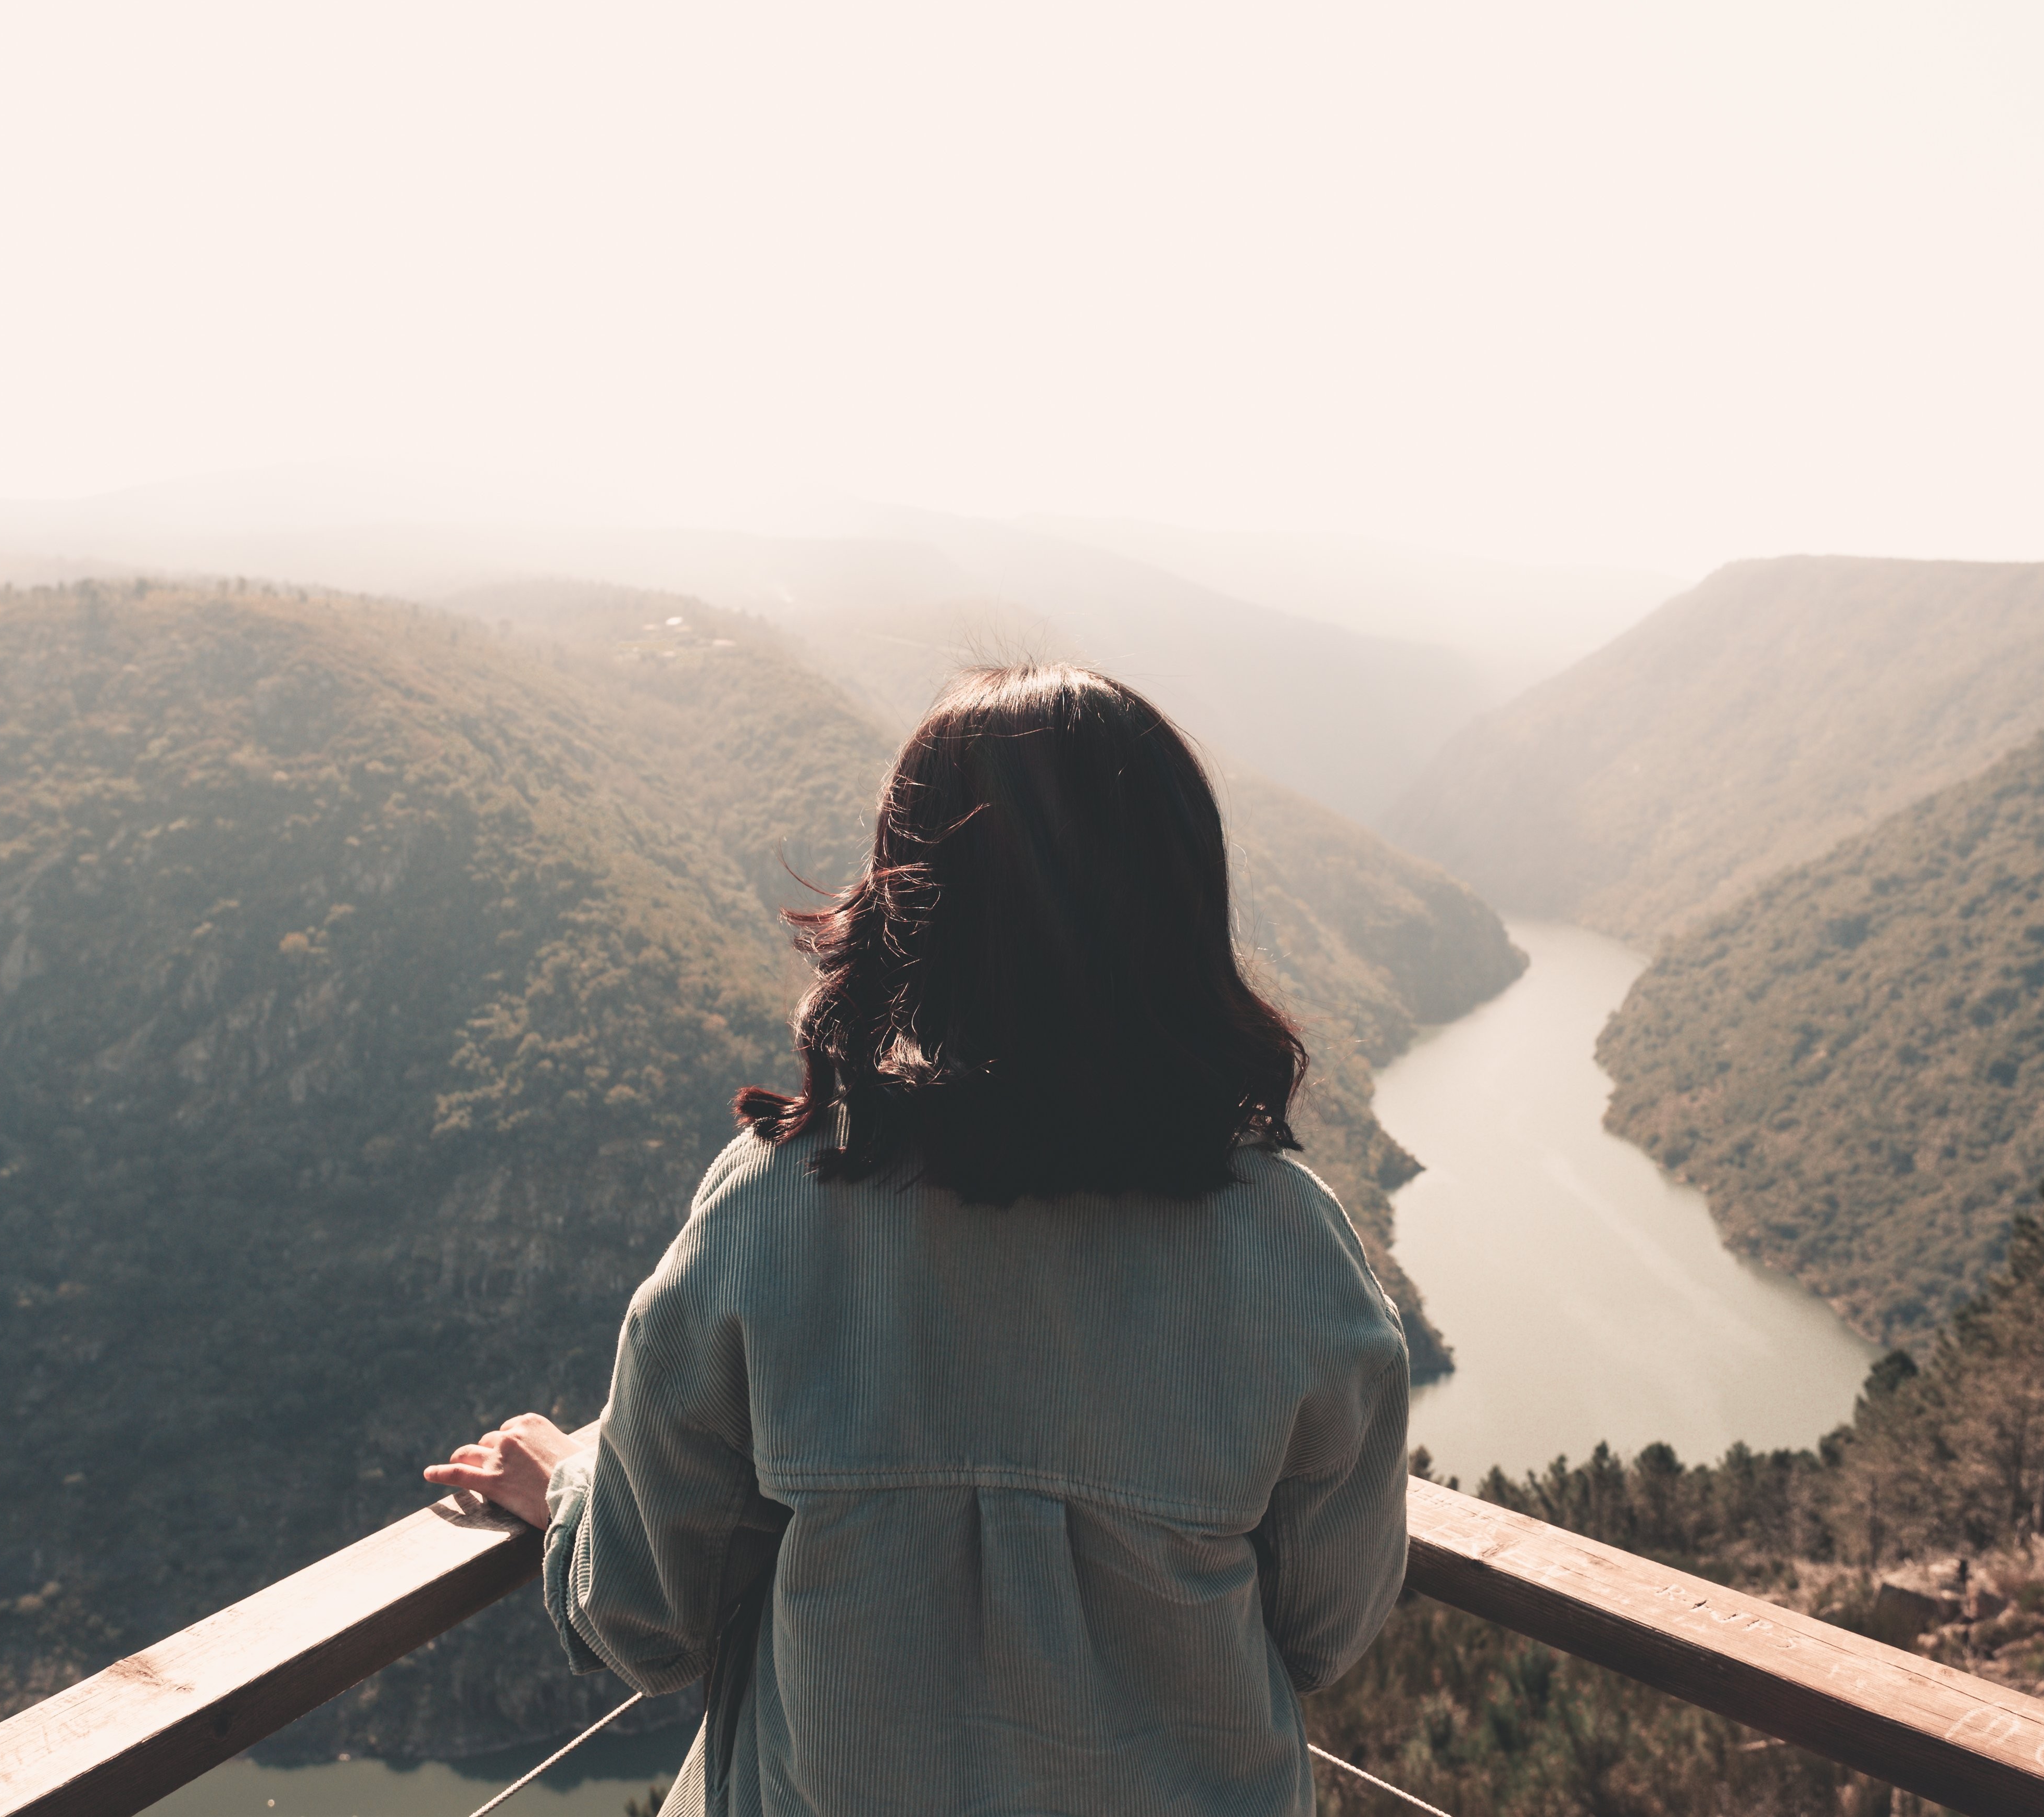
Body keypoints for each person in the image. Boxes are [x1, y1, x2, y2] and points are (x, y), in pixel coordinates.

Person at [426, 665, 1411, 1816]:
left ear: (906, 905)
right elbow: (1325, 1623)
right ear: (1182, 908)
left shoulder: (773, 1209)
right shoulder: (1289, 1244)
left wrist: (572, 1487)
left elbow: (644, 1614)